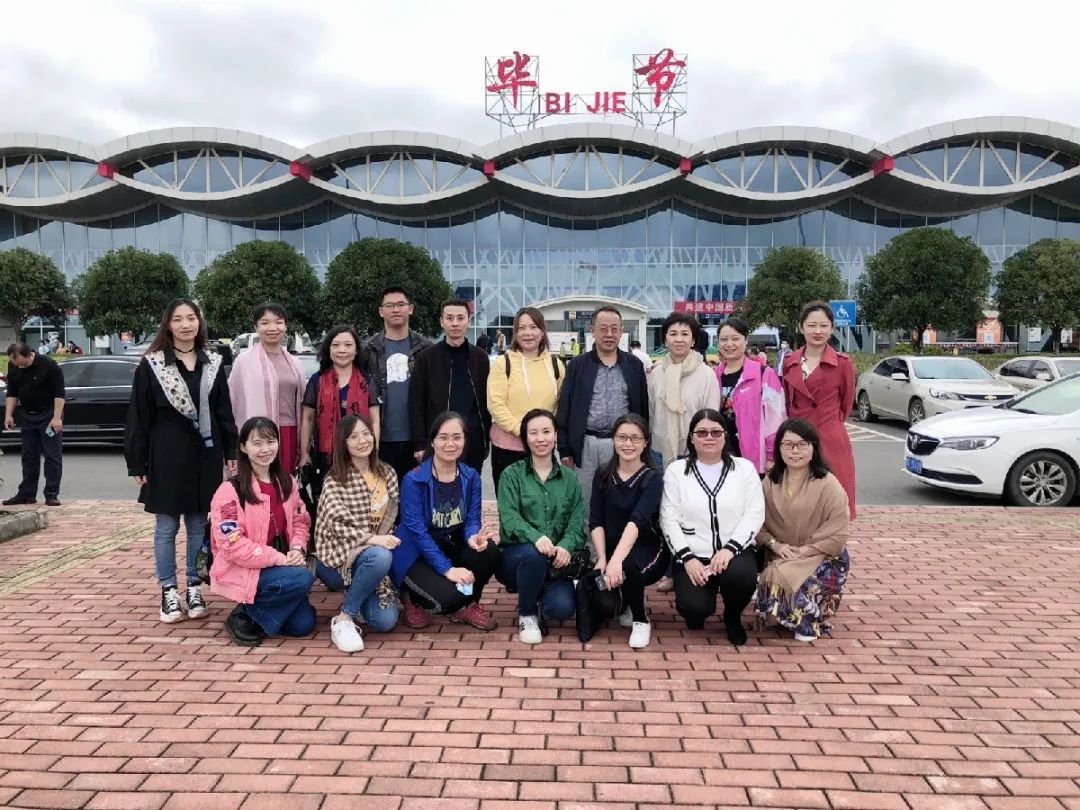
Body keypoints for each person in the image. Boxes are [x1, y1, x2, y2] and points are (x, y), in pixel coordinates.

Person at [125, 299, 237, 623]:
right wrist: (137, 462)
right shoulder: (152, 365)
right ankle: (168, 591)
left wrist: (231, 451)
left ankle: (194, 586)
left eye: (191, 318)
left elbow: (223, 412)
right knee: (166, 526)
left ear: (199, 322)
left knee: (199, 525)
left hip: (205, 455)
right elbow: (139, 416)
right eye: (178, 319)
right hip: (166, 454)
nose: (186, 324)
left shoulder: (213, 363)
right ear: (168, 325)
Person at [659, 408, 764, 646]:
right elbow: (668, 518)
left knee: (742, 579)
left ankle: (732, 615)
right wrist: (687, 558)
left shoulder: (744, 469)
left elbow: (754, 513)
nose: (709, 437)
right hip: (693, 553)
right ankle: (698, 607)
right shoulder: (677, 471)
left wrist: (730, 549)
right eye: (702, 432)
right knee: (694, 609)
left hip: (733, 551)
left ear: (726, 436)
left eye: (716, 432)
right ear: (691, 437)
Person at [209, 417, 315, 646]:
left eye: (270, 441)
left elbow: (300, 521)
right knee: (304, 577)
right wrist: (278, 558)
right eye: (257, 443)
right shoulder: (230, 491)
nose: (265, 449)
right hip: (246, 567)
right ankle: (242, 615)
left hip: (282, 565)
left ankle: (255, 615)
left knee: (303, 625)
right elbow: (232, 545)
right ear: (243, 447)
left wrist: (297, 548)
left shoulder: (287, 482)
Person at [391, 411, 500, 631]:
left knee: (488, 550)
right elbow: (417, 532)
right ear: (433, 441)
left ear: (464, 440)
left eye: (457, 437)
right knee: (448, 599)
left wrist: (472, 538)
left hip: (450, 546)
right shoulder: (414, 479)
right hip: (415, 554)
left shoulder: (471, 477)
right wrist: (448, 570)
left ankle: (467, 604)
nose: (450, 444)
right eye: (443, 437)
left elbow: (472, 520)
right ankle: (410, 597)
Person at [756, 419, 851, 642]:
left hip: (823, 555)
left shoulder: (828, 483)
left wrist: (806, 550)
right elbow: (756, 523)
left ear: (813, 448)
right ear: (779, 448)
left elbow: (839, 530)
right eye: (788, 444)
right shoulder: (769, 483)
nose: (795, 451)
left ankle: (809, 621)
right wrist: (775, 545)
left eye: (802, 444)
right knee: (776, 599)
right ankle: (783, 612)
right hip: (783, 554)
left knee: (798, 598)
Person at [498, 409, 585, 645]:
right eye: (533, 433)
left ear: (555, 435)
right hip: (517, 557)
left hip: (555, 562)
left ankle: (536, 593)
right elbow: (510, 518)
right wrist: (536, 538)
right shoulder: (511, 475)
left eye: (546, 432)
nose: (541, 439)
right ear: (525, 438)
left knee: (562, 609)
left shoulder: (569, 479)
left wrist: (566, 546)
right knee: (534, 554)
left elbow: (577, 522)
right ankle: (527, 615)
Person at [315, 414, 401, 652]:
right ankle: (344, 618)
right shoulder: (335, 479)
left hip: (373, 558)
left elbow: (392, 518)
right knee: (380, 555)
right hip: (337, 560)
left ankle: (361, 592)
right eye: (354, 437)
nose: (363, 440)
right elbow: (338, 525)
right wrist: (374, 540)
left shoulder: (387, 473)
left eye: (366, 433)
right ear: (343, 442)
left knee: (385, 622)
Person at [556, 306, 649, 521]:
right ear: (592, 330)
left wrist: (642, 446)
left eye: (614, 329)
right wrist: (564, 449)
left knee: (620, 502)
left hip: (622, 445)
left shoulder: (634, 365)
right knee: (585, 504)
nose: (609, 334)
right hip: (586, 444)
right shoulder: (577, 365)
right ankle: (588, 541)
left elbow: (642, 409)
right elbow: (564, 410)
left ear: (621, 331)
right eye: (603, 329)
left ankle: (617, 541)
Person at [588, 414, 670, 649]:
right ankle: (625, 600)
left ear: (645, 443)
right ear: (613, 440)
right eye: (622, 437)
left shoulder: (653, 478)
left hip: (647, 548)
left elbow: (637, 521)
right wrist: (602, 558)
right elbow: (596, 520)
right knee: (604, 603)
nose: (628, 444)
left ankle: (640, 619)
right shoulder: (603, 473)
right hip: (613, 547)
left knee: (628, 565)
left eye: (635, 438)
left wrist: (615, 562)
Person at [782, 302, 857, 519]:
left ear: (831, 329)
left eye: (823, 326)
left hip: (830, 435)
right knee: (798, 498)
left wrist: (830, 422)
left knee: (835, 497)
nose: (817, 331)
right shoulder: (789, 362)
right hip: (797, 437)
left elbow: (846, 404)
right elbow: (787, 401)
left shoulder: (842, 364)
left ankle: (834, 539)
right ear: (801, 327)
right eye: (811, 325)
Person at [487, 306, 564, 497]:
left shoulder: (556, 365)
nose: (527, 333)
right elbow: (496, 405)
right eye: (522, 328)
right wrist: (524, 431)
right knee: (511, 504)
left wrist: (544, 434)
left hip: (543, 449)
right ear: (515, 332)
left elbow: (560, 404)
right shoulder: (503, 363)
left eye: (533, 327)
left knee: (542, 504)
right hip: (507, 449)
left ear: (542, 331)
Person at [299, 325, 380, 502]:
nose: (342, 350)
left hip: (361, 452)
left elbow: (374, 419)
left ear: (356, 350)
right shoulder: (317, 381)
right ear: (328, 350)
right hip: (326, 455)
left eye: (348, 345)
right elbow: (307, 418)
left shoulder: (367, 382)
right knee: (327, 501)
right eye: (336, 345)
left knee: (360, 500)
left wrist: (374, 451)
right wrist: (304, 453)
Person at [410, 299, 491, 475]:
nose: (455, 323)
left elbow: (487, 401)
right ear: (442, 322)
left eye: (460, 318)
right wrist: (419, 443)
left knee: (470, 487)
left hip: (473, 440)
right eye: (449, 318)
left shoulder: (480, 358)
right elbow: (416, 403)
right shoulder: (426, 358)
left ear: (469, 321)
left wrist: (486, 439)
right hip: (439, 439)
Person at [363, 287, 432, 484]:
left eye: (400, 304)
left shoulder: (425, 348)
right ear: (380, 311)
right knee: (382, 497)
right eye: (389, 305)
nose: (395, 309)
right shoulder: (368, 350)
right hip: (380, 438)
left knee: (415, 496)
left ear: (410, 309)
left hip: (417, 439)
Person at [229, 303, 306, 473]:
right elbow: (233, 401)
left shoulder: (295, 363)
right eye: (265, 323)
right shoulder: (244, 362)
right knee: (259, 480)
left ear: (286, 326)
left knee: (285, 480)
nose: (272, 328)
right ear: (256, 327)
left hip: (290, 432)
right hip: (258, 436)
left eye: (278, 322)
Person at [715, 317, 786, 475]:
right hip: (718, 457)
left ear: (746, 340)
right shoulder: (713, 376)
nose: (729, 344)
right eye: (724, 339)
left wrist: (772, 455)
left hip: (753, 459)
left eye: (735, 339)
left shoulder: (764, 374)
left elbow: (776, 419)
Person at [648, 312, 720, 468]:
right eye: (673, 334)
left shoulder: (706, 374)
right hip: (659, 452)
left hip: (694, 452)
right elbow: (651, 414)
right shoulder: (656, 373)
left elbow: (711, 417)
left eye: (685, 334)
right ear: (665, 340)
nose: (679, 339)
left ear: (693, 340)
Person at [2, 343, 65, 507]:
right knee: (29, 456)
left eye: (18, 361)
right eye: (13, 362)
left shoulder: (49, 365)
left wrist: (56, 418)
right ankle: (27, 494)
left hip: (48, 415)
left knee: (52, 456)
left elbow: (59, 393)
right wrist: (8, 415)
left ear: (28, 354)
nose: (17, 365)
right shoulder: (14, 366)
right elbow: (12, 392)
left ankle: (51, 494)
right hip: (28, 415)